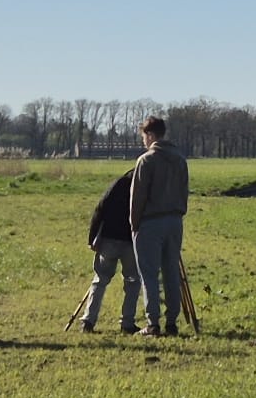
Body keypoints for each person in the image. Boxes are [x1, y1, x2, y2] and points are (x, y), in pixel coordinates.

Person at [129, 115, 189, 336]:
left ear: (151, 135)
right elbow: (184, 192)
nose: (143, 141)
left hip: (150, 223)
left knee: (149, 274)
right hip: (175, 221)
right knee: (171, 271)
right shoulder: (180, 159)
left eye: (144, 137)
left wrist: (134, 225)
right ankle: (172, 321)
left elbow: (137, 197)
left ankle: (152, 322)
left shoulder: (146, 160)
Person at [81, 168, 142, 334]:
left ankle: (88, 320)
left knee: (100, 280)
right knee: (132, 282)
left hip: (108, 240)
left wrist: (92, 237)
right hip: (130, 242)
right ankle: (127, 323)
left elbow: (100, 209)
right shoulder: (144, 188)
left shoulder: (118, 184)